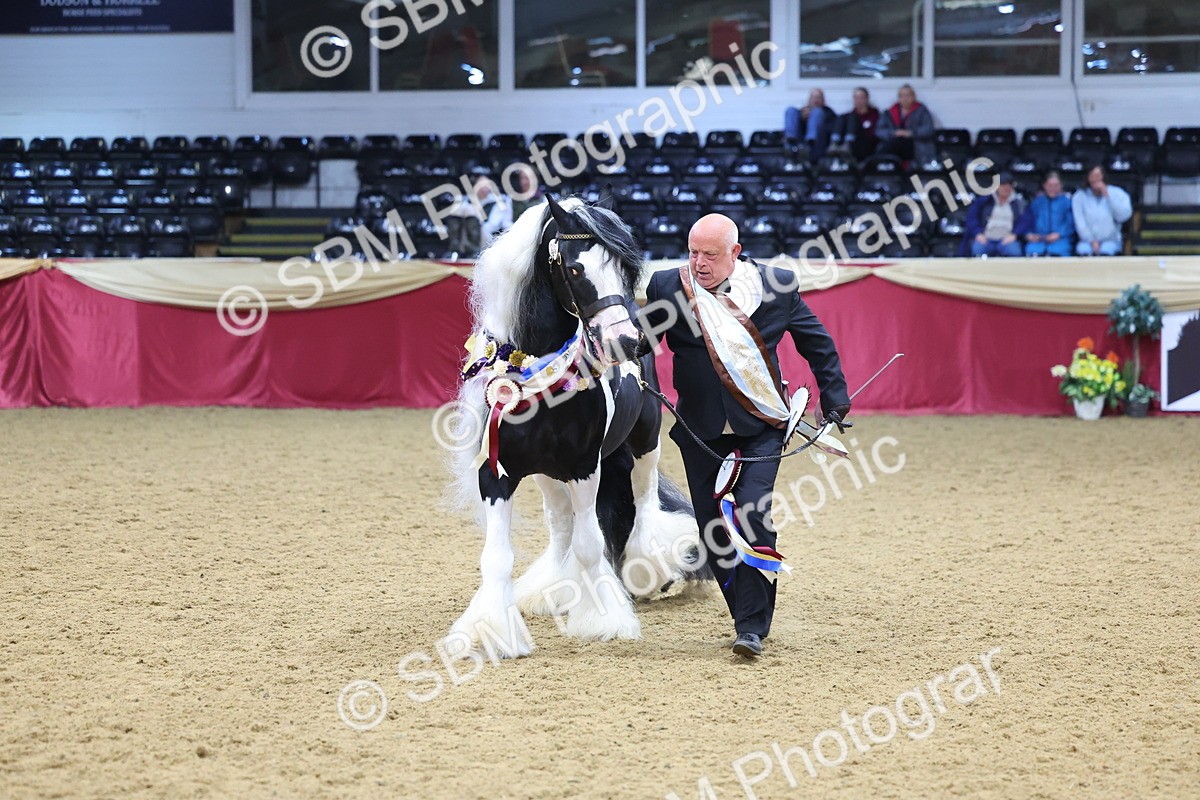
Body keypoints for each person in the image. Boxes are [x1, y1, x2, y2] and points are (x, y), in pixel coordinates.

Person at [641, 214, 850, 659]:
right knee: (713, 531)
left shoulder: (775, 286)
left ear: (735, 252)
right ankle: (747, 614)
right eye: (692, 252)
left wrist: (835, 398)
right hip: (700, 432)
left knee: (754, 517)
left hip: (761, 427)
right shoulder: (668, 286)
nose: (698, 263)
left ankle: (750, 626)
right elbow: (641, 340)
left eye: (710, 254)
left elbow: (817, 344)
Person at [962, 172, 1029, 257]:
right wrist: (978, 233)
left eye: (1008, 185)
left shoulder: (1019, 203)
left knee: (1015, 251)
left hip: (1007, 240)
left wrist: (1014, 235)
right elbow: (971, 218)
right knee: (977, 249)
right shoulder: (984, 201)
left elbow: (1025, 221)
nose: (1005, 188)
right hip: (986, 239)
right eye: (1002, 185)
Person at [1072, 165, 1133, 256]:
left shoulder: (1118, 193)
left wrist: (1108, 197)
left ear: (1103, 177)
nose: (1095, 180)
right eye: (1092, 176)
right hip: (1086, 242)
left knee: (1106, 251)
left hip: (1111, 240)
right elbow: (1080, 222)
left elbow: (1123, 217)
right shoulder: (1079, 196)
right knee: (1083, 250)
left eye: (1098, 176)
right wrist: (1091, 240)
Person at [875, 84, 936, 166]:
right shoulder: (889, 112)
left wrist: (910, 133)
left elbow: (928, 130)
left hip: (915, 144)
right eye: (902, 96)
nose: (905, 99)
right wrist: (894, 133)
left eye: (908, 95)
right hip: (893, 144)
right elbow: (879, 130)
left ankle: (874, 164)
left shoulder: (922, 111)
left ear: (914, 97)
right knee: (894, 142)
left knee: (897, 142)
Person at [1023, 170, 1075, 257]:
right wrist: (1029, 234)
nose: (1053, 188)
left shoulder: (1067, 202)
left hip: (1060, 239)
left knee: (1058, 251)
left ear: (1061, 186)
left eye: (1056, 185)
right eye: (1050, 185)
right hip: (1039, 240)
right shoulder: (1037, 202)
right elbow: (1028, 221)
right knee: (1031, 250)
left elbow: (1070, 223)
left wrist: (1059, 234)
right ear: (1044, 186)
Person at [784, 88, 837, 162]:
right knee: (791, 110)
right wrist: (803, 119)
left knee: (817, 112)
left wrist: (814, 119)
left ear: (823, 100)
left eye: (818, 97)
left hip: (817, 143)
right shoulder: (802, 112)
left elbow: (831, 128)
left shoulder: (829, 113)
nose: (816, 100)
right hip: (799, 141)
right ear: (809, 100)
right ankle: (790, 142)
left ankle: (809, 143)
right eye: (813, 97)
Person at [829, 87, 880, 162]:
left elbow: (876, 133)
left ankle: (848, 144)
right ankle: (834, 143)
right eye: (856, 98)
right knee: (842, 117)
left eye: (861, 97)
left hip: (867, 144)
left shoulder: (875, 114)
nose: (858, 100)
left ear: (867, 99)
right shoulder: (848, 116)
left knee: (853, 118)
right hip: (852, 145)